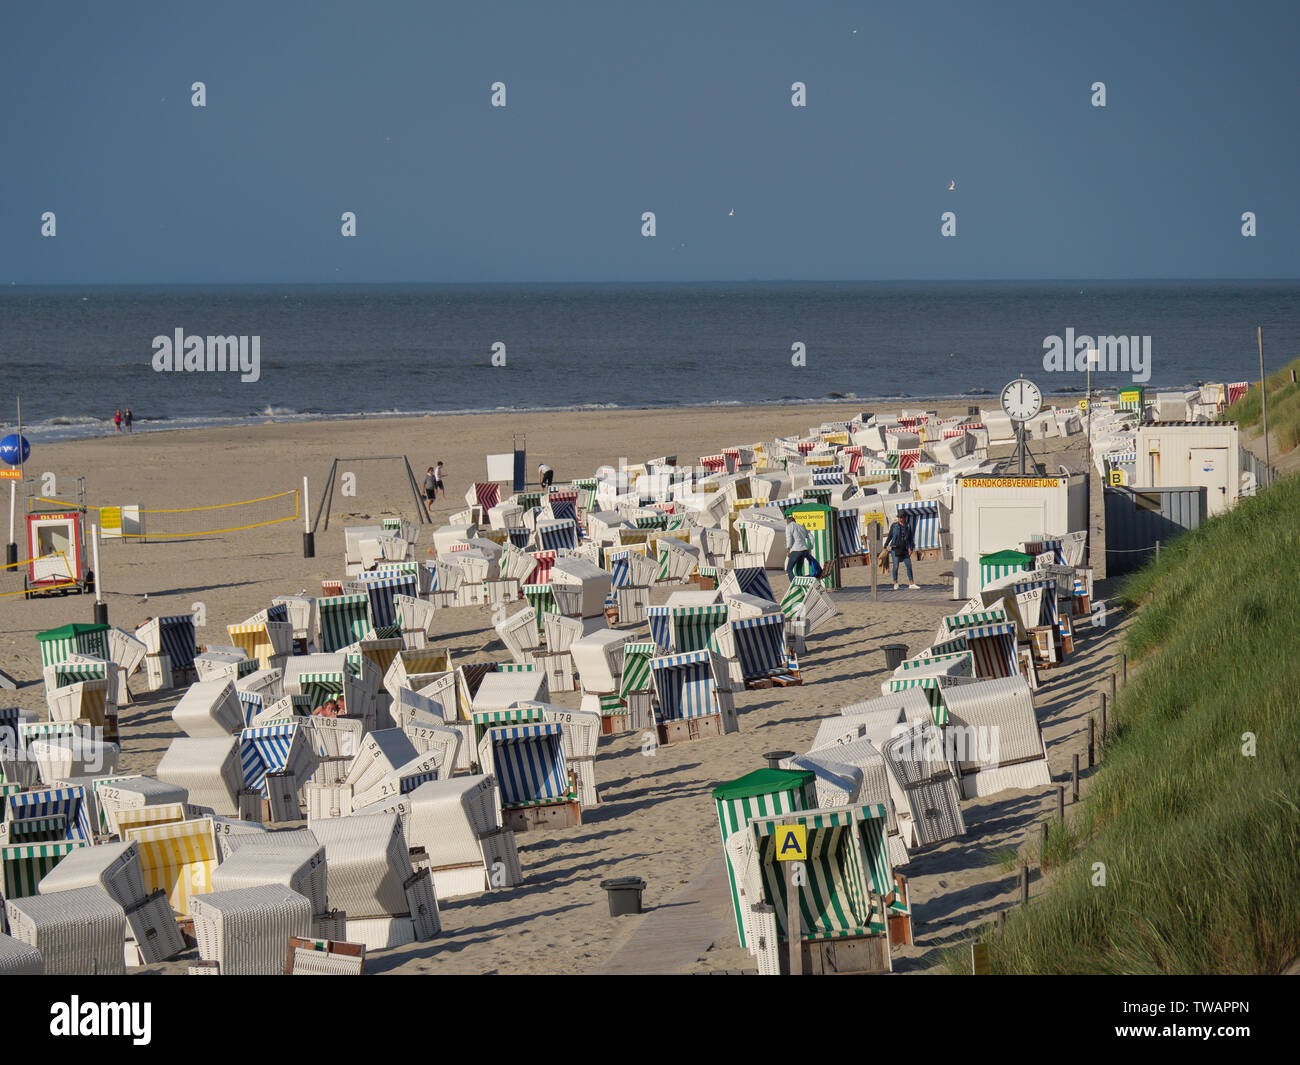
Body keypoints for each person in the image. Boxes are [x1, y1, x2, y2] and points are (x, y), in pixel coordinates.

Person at [883, 514, 920, 590]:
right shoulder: (894, 525)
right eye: (899, 517)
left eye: (901, 517)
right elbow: (890, 536)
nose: (900, 519)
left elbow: (910, 538)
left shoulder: (908, 526)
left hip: (905, 549)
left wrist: (911, 548)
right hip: (895, 548)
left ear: (904, 518)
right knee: (896, 566)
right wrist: (885, 545)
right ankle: (895, 583)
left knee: (909, 565)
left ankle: (911, 583)